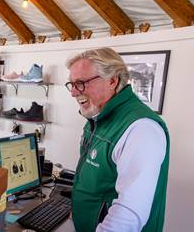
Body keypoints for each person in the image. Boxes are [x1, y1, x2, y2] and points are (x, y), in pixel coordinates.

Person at [65, 47, 169, 232]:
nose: (73, 92)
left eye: (80, 83)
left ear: (112, 81)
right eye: (71, 84)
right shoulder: (98, 116)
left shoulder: (141, 128)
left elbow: (130, 212)